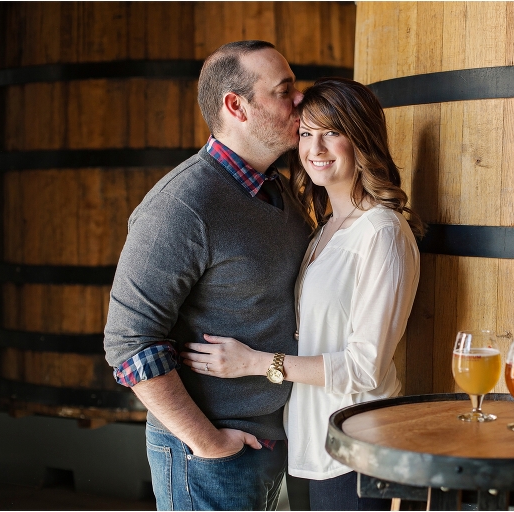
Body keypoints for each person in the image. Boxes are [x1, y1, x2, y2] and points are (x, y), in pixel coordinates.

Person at [181, 77, 424, 511]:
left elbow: (365, 368)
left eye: (332, 132)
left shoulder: (382, 232)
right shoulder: (324, 229)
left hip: (356, 444)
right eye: (307, 134)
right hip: (308, 442)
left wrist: (254, 364)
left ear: (361, 137)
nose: (316, 149)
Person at [103, 40, 312, 511]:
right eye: (284, 90)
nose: (300, 99)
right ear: (236, 106)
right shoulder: (182, 205)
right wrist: (209, 442)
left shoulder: (278, 190)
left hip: (272, 446)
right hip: (209, 457)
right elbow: (129, 343)